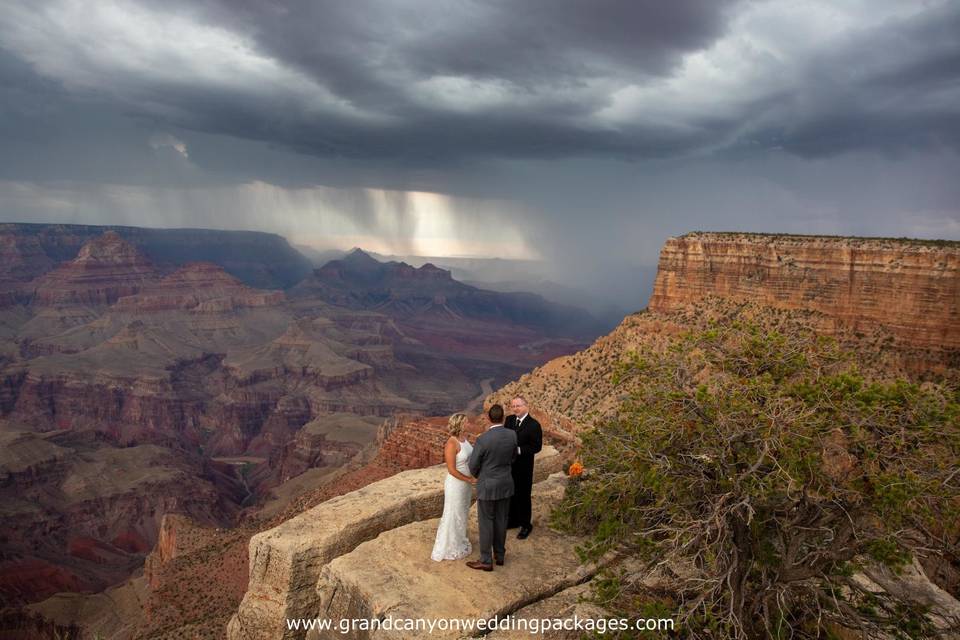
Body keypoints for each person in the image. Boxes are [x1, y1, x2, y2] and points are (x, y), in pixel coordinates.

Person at [465, 404, 517, 571]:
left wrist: (482, 476)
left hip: (487, 486)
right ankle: (500, 555)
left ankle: (486, 560)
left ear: (488, 418)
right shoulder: (512, 435)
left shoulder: (483, 439)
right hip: (506, 484)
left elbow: (473, 465)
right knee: (501, 520)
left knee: (486, 522)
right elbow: (513, 457)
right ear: (503, 418)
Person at [430, 413, 476, 561]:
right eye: (466, 422)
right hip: (456, 484)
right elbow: (451, 469)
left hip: (465, 485)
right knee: (452, 513)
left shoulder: (465, 438)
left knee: (462, 512)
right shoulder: (452, 443)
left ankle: (458, 540)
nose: (469, 424)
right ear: (460, 424)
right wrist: (469, 479)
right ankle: (448, 547)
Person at [505, 396, 542, 539]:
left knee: (524, 496)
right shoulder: (509, 420)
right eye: (513, 406)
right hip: (510, 466)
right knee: (512, 494)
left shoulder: (534, 425)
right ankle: (513, 521)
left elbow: (536, 447)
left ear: (526, 406)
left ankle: (526, 525)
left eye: (518, 406)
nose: (515, 408)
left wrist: (519, 450)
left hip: (524, 468)